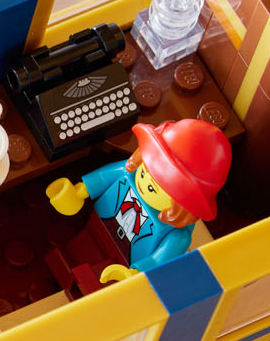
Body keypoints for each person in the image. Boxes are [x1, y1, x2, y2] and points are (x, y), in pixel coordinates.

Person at [45, 118, 230, 289]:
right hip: (95, 230)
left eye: (152, 188)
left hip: (122, 264)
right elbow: (103, 177)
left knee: (93, 285)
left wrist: (135, 273)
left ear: (184, 204)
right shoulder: (130, 173)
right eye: (144, 172)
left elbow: (158, 261)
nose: (143, 182)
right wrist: (80, 191)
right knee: (71, 255)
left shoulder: (177, 236)